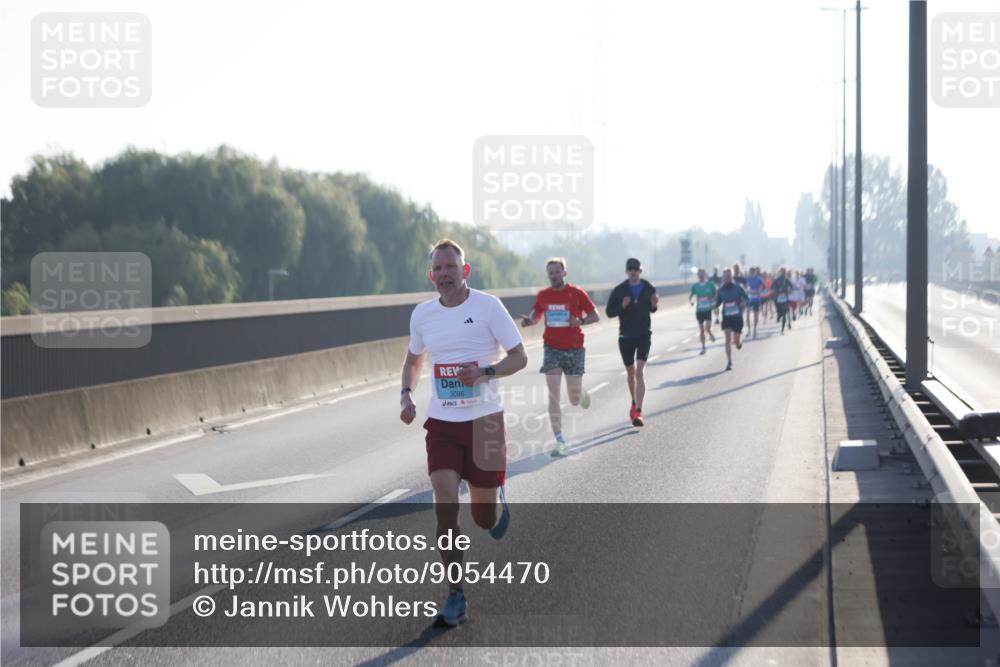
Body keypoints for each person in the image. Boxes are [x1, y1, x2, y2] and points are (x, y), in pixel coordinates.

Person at [399, 239, 528, 627]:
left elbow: (520, 356)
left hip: (486, 420)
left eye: (450, 267)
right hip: (443, 424)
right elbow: (413, 360)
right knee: (445, 503)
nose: (444, 274)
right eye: (437, 269)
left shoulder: (488, 306)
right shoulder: (422, 315)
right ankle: (456, 593)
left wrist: (486, 372)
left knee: (484, 519)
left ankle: (495, 497)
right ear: (430, 275)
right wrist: (406, 394)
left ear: (464, 270)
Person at [519, 258, 599, 456]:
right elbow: (537, 314)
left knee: (573, 399)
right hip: (552, 348)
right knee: (553, 393)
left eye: (557, 271)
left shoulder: (577, 293)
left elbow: (595, 315)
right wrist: (530, 321)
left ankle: (580, 393)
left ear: (565, 273)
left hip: (574, 348)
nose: (554, 275)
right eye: (551, 272)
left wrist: (579, 321)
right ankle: (559, 440)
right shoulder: (544, 295)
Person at [606, 258, 658, 427]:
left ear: (640, 271)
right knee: (630, 373)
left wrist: (654, 304)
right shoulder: (620, 290)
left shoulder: (648, 288)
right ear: (627, 271)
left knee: (639, 372)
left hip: (644, 335)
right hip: (626, 337)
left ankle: (639, 412)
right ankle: (634, 401)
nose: (633, 271)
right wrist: (622, 306)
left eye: (636, 269)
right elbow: (609, 312)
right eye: (630, 269)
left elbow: (652, 309)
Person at [714, 267, 748, 371]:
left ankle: (738, 343)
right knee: (727, 339)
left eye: (729, 276)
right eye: (725, 276)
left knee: (735, 341)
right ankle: (729, 361)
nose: (727, 278)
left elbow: (747, 298)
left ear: (732, 277)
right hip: (727, 317)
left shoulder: (739, 288)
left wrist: (744, 303)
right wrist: (714, 305)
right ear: (723, 277)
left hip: (737, 317)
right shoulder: (720, 290)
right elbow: (718, 302)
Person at [689, 268, 717, 354]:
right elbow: (691, 296)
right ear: (697, 276)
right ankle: (703, 347)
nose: (701, 276)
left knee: (707, 328)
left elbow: (715, 294)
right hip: (699, 310)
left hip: (708, 309)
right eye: (699, 275)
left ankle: (710, 333)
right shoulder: (695, 286)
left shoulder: (710, 284)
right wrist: (691, 301)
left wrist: (713, 302)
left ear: (705, 275)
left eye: (702, 274)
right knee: (701, 330)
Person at [772, 267, 794, 334]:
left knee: (785, 312)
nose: (783, 272)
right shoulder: (777, 279)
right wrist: (778, 290)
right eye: (782, 271)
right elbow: (772, 287)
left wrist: (789, 290)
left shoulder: (787, 279)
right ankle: (779, 316)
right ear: (780, 272)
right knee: (780, 312)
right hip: (778, 298)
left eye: (784, 271)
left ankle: (783, 329)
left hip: (785, 298)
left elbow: (791, 286)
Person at [745, 266, 765, 339]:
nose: (752, 273)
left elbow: (762, 287)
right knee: (747, 315)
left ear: (755, 272)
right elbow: (746, 287)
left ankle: (755, 329)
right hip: (749, 299)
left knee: (755, 316)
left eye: (753, 272)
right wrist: (748, 289)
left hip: (756, 299)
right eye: (751, 272)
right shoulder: (747, 279)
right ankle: (749, 330)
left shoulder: (759, 279)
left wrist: (759, 290)